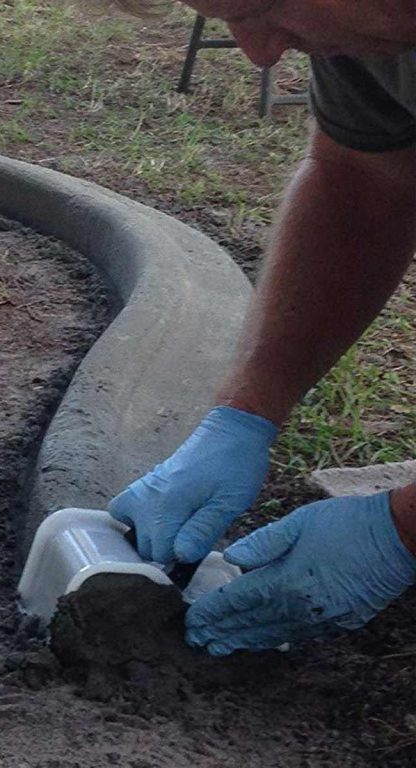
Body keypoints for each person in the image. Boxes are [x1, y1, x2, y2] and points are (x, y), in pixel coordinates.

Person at [108, 0, 416, 655]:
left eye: (261, 7)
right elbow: (361, 179)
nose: (260, 52)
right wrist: (246, 411)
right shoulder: (373, 30)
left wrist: (404, 528)